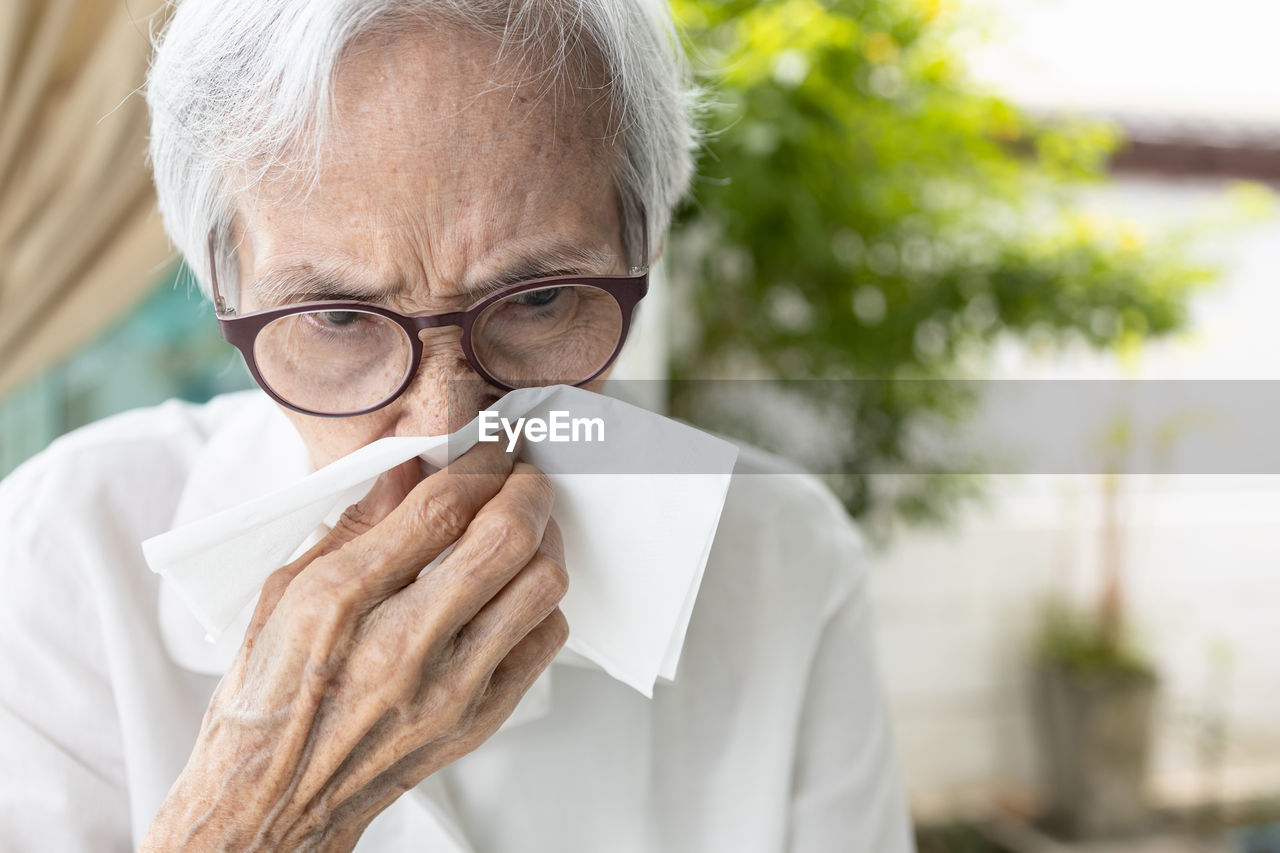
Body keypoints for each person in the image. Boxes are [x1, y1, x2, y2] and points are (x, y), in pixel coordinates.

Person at [0, 0, 914, 850]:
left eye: (541, 299)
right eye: (337, 317)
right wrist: (258, 811)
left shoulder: (781, 558)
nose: (447, 428)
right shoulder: (61, 551)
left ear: (648, 248)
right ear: (222, 288)